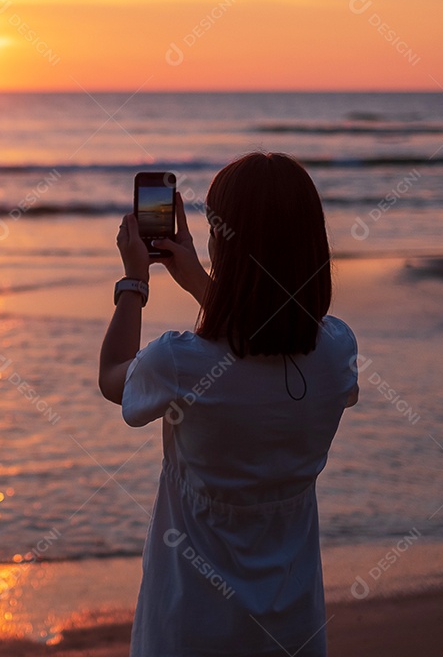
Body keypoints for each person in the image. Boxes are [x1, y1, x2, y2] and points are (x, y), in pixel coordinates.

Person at [98, 152, 359, 656]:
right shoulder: (336, 352)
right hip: (292, 625)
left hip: (189, 623)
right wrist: (197, 278)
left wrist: (135, 282)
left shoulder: (180, 363)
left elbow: (115, 380)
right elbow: (260, 342)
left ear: (225, 243)